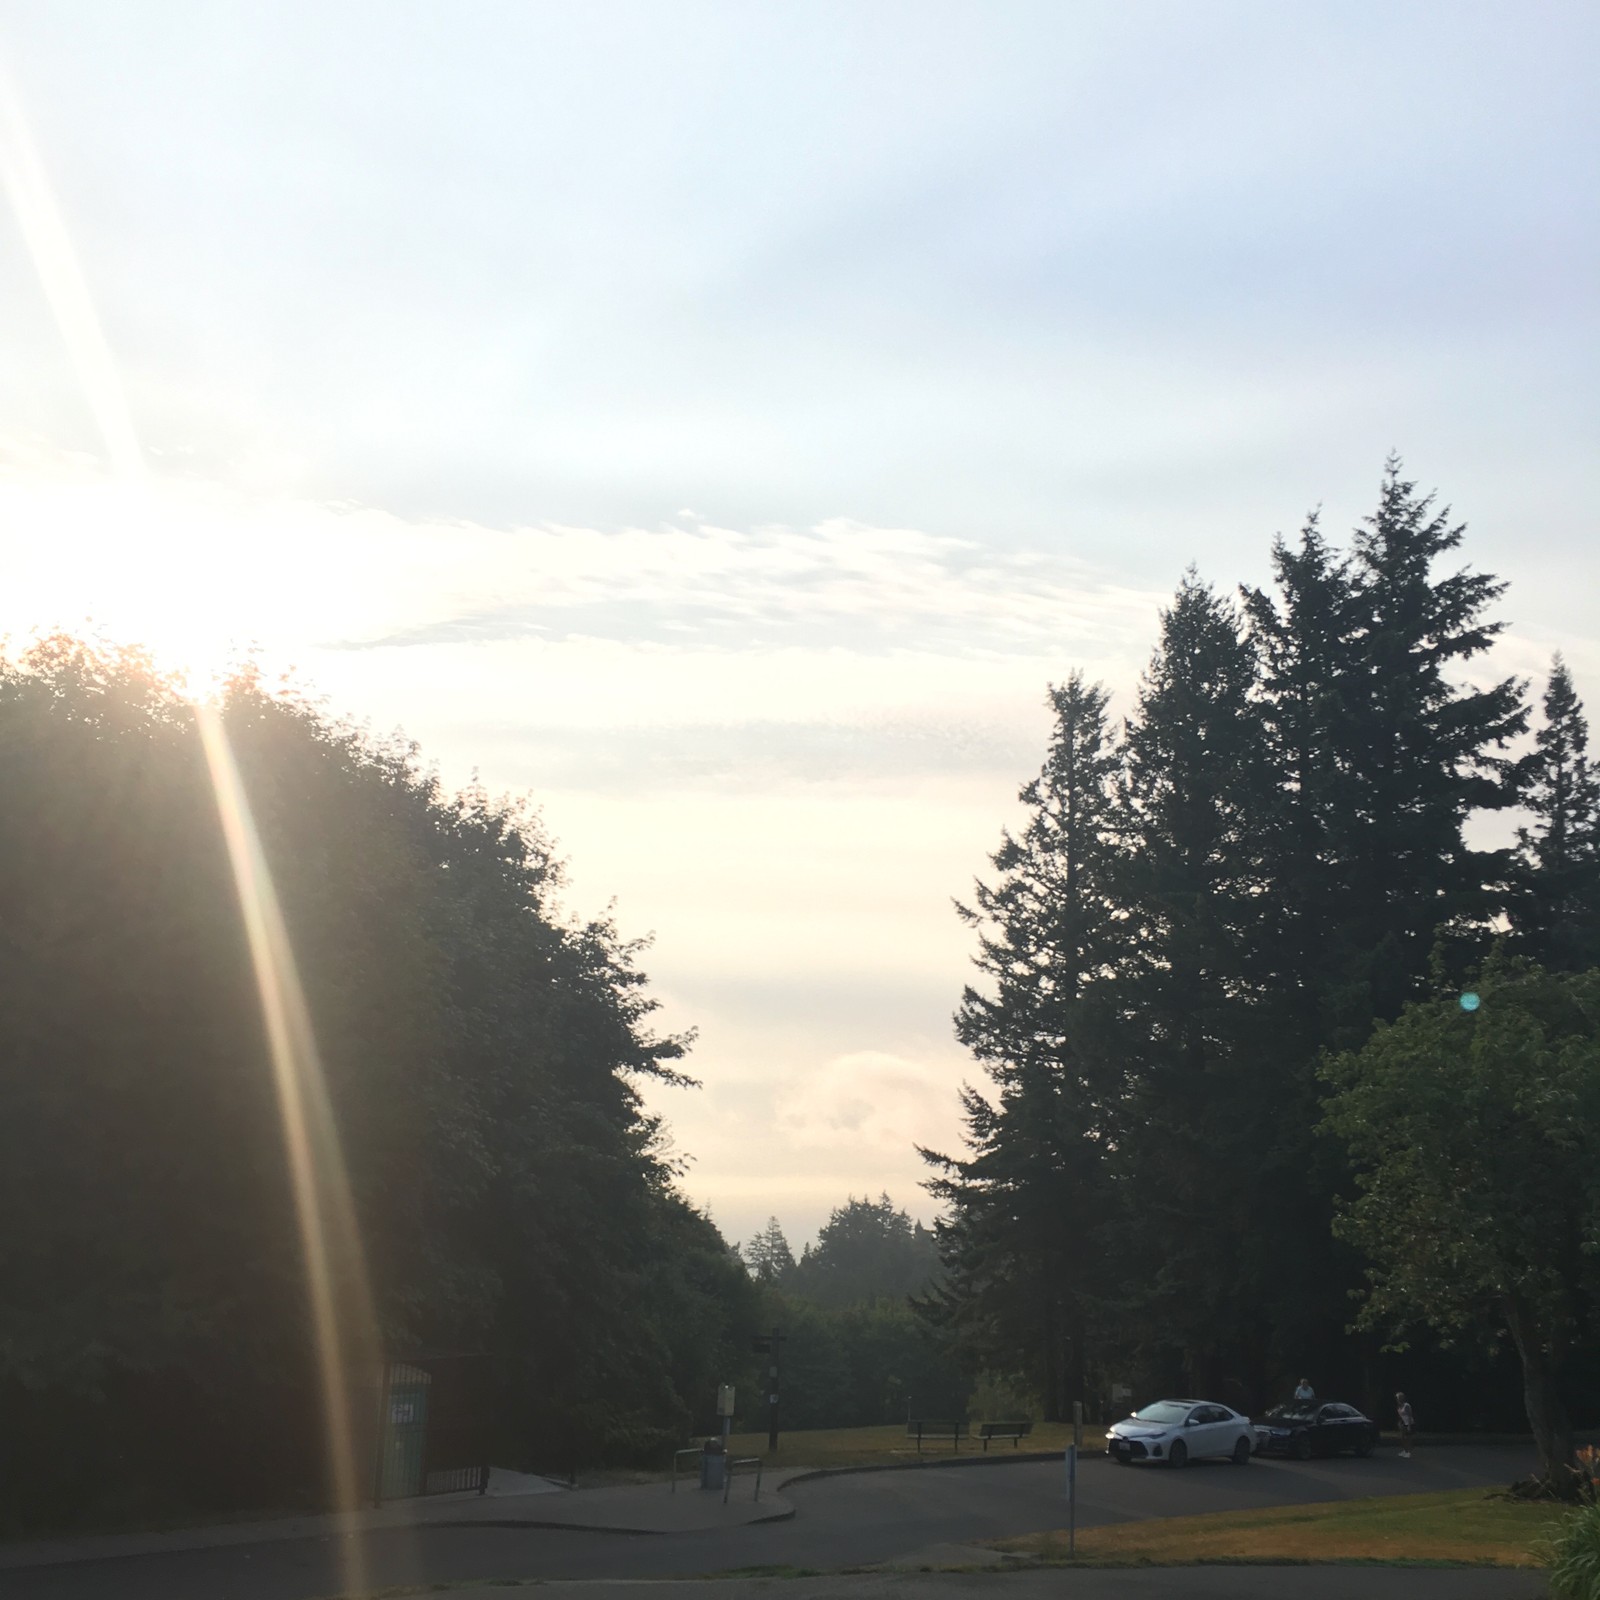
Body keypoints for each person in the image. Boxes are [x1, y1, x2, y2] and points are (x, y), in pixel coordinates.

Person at [1396, 1391, 1415, 1458]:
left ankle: (1409, 1452)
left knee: (1408, 1439)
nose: (1397, 1399)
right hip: (1403, 1424)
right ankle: (1405, 1450)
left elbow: (1410, 1416)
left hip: (1409, 1423)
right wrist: (1400, 1423)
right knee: (1402, 1438)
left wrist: (1409, 1426)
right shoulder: (1399, 1406)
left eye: (1398, 1397)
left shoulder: (1407, 1406)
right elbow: (1401, 1416)